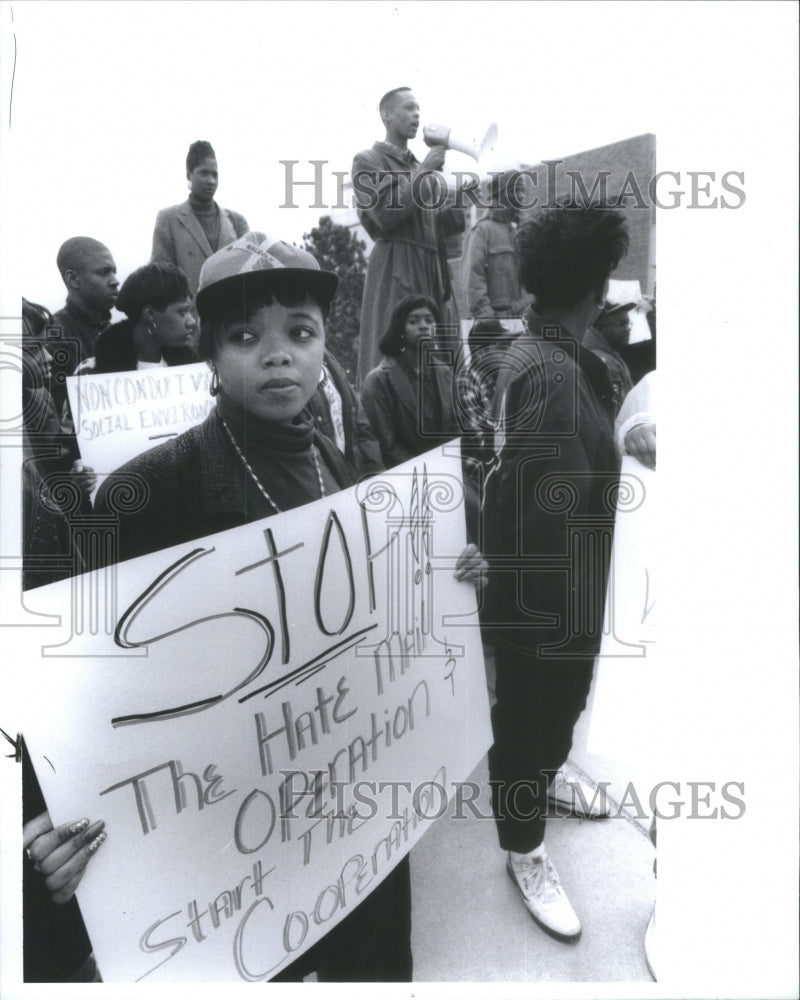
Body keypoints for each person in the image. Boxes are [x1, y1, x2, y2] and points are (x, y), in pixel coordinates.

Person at [24, 231, 488, 982]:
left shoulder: (336, 462)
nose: (280, 356)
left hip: (355, 803)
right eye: (246, 337)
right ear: (209, 353)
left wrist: (451, 575)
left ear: (321, 349)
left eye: (300, 333)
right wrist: (45, 808)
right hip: (229, 840)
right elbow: (86, 675)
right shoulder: (147, 493)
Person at [483, 204, 629, 942]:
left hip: (556, 583)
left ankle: (547, 773)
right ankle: (523, 848)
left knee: (550, 718)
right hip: (548, 595)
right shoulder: (549, 370)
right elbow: (548, 506)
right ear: (597, 286)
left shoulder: (547, 351)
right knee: (530, 721)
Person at [352, 87, 465, 387]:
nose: (417, 115)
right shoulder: (367, 160)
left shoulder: (419, 166)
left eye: (419, 109)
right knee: (399, 352)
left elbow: (448, 226)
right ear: (386, 115)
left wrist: (459, 195)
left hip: (431, 270)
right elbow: (386, 213)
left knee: (440, 356)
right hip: (397, 267)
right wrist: (427, 170)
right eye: (409, 108)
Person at [360, 294, 460, 470]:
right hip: (400, 476)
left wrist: (445, 466)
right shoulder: (378, 381)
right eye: (413, 321)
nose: (423, 326)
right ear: (401, 330)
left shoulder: (446, 374)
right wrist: (426, 470)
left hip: (445, 471)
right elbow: (386, 446)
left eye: (429, 320)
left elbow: (455, 430)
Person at [151, 140, 249, 301]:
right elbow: (161, 279)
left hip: (232, 315)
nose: (211, 180)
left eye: (215, 174)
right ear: (189, 175)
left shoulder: (237, 222)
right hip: (191, 318)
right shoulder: (168, 219)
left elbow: (248, 272)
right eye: (204, 173)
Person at [74, 262, 197, 375]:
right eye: (182, 312)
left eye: (190, 311)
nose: (192, 322)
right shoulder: (91, 373)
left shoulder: (195, 367)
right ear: (150, 314)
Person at [49, 237, 119, 412]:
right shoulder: (53, 336)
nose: (115, 281)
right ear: (73, 279)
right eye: (104, 272)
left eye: (114, 272)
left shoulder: (112, 330)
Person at [461, 173, 532, 320]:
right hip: (498, 321)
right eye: (515, 190)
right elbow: (473, 279)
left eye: (523, 190)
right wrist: (487, 318)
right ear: (499, 194)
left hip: (527, 318)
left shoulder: (525, 229)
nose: (521, 195)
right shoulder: (482, 230)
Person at [583, 300, 635, 415]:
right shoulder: (606, 363)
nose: (628, 328)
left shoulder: (607, 353)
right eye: (620, 324)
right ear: (599, 328)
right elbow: (616, 414)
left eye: (628, 323)